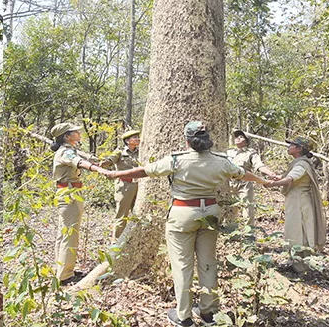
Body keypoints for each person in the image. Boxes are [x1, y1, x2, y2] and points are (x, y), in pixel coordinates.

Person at [101, 122, 268, 327]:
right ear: (208, 140)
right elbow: (243, 173)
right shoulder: (221, 161)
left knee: (182, 265)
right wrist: (263, 181)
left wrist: (115, 174)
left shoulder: (177, 160)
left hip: (182, 214)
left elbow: (144, 171)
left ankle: (183, 316)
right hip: (210, 213)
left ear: (187, 140)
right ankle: (209, 312)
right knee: (208, 262)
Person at [50, 122, 108, 284]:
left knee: (64, 234)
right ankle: (66, 275)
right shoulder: (65, 152)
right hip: (69, 194)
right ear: (67, 136)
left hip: (70, 192)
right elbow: (79, 162)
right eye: (75, 131)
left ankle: (63, 270)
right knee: (70, 234)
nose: (78, 133)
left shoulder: (69, 150)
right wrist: (100, 170)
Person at [264, 137, 326, 254]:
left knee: (298, 230)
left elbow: (290, 179)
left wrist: (273, 184)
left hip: (300, 202)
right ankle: (298, 261)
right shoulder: (300, 163)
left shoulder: (301, 164)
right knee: (299, 229)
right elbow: (291, 177)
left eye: (291, 145)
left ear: (299, 148)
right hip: (297, 200)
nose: (288, 147)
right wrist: (278, 178)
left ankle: (301, 263)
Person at [227, 129, 277, 226]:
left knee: (247, 210)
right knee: (231, 211)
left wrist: (270, 173)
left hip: (244, 184)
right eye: (236, 137)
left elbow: (259, 165)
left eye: (241, 137)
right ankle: (231, 234)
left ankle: (248, 236)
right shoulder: (229, 152)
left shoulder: (250, 152)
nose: (238, 138)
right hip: (229, 183)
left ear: (246, 140)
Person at [99, 129, 140, 240]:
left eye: (137, 137)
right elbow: (109, 161)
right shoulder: (119, 152)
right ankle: (116, 243)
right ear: (127, 141)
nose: (137, 139)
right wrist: (103, 163)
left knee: (138, 213)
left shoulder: (140, 151)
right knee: (122, 215)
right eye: (134, 137)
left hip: (139, 186)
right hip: (124, 186)